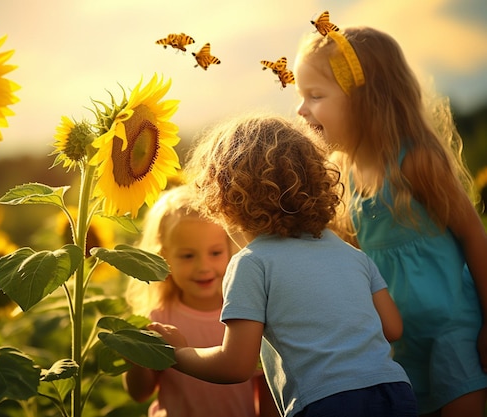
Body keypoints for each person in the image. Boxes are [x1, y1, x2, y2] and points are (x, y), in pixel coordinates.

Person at [148, 114, 417, 417]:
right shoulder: (352, 254)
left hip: (326, 402)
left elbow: (236, 365)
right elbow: (392, 328)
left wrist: (177, 353)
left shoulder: (252, 264)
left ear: (223, 200)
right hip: (393, 391)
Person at [293, 20, 487, 416]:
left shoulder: (415, 162)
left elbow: (473, 235)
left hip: (453, 330)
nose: (301, 108)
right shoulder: (340, 173)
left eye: (314, 95)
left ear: (364, 99)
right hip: (394, 341)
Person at [123, 185, 278, 417]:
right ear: (163, 257)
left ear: (230, 250)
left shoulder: (245, 315)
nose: (203, 267)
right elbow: (140, 393)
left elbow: (266, 386)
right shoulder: (158, 318)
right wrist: (136, 356)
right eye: (187, 256)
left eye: (215, 253)